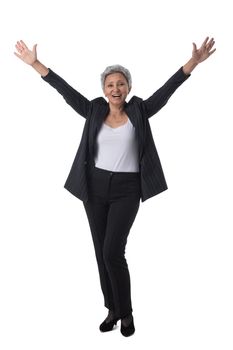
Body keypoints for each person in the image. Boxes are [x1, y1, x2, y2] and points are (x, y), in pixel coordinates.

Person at [14, 37, 216, 337]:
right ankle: (112, 309)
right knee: (100, 252)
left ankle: (127, 312)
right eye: (110, 85)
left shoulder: (140, 112)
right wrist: (35, 65)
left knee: (112, 252)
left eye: (121, 84)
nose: (115, 89)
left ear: (129, 88)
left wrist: (193, 64)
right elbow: (66, 92)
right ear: (103, 90)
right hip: (94, 188)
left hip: (126, 189)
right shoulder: (94, 110)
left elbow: (168, 89)